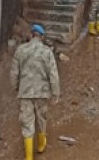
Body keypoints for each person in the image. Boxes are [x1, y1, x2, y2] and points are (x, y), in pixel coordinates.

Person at [11, 24, 60, 160]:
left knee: (27, 122)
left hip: (25, 93)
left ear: (31, 35)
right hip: (42, 93)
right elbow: (53, 75)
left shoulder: (20, 50)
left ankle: (28, 157)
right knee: (41, 118)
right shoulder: (47, 52)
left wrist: (16, 88)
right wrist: (55, 93)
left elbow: (14, 73)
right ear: (42, 37)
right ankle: (41, 145)